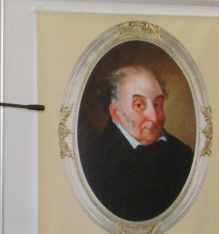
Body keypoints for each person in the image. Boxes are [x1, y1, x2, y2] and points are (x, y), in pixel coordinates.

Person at [80, 65, 194, 222]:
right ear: (116, 112)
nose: (154, 117)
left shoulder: (183, 155)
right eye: (139, 105)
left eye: (157, 104)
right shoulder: (93, 163)